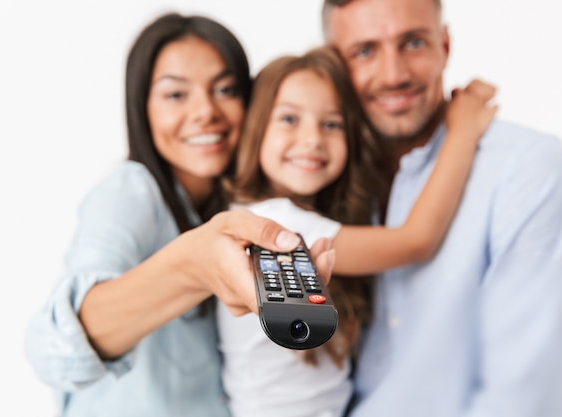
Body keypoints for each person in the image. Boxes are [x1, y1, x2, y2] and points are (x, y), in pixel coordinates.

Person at [23, 13, 335, 417]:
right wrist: (193, 268)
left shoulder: (237, 209)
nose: (205, 111)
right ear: (142, 108)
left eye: (225, 89)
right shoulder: (129, 192)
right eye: (176, 94)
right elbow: (53, 349)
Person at [321, 0, 562, 416]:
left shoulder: (527, 170)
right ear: (334, 67)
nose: (393, 75)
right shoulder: (321, 180)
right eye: (365, 51)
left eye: (413, 43)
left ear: (444, 46)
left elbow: (526, 396)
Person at [216, 46, 496, 417]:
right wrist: (462, 131)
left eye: (331, 124)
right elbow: (417, 241)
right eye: (289, 119)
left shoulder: (267, 213)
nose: (312, 138)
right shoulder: (278, 225)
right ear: (256, 128)